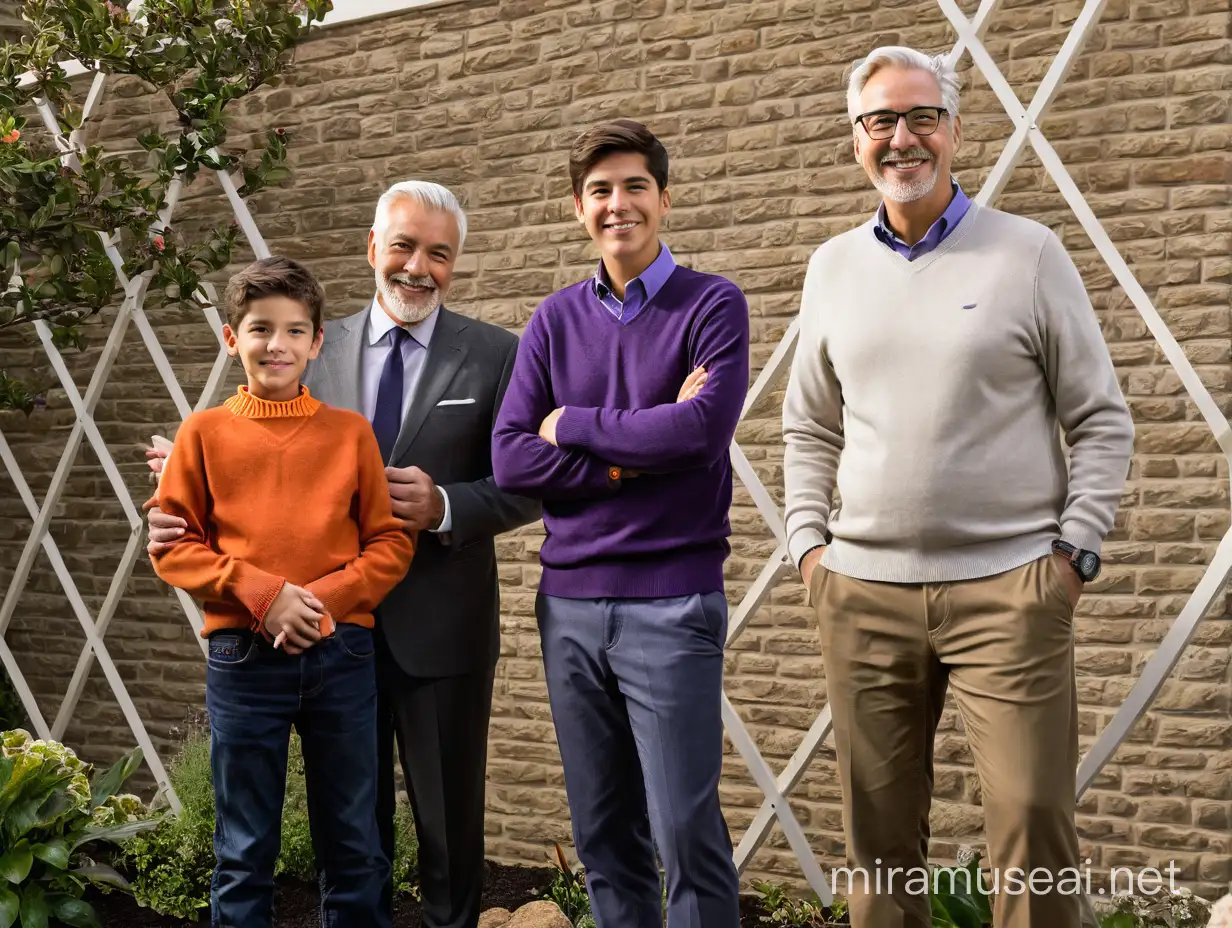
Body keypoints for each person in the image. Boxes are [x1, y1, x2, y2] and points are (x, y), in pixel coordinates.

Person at [781, 45, 1135, 928]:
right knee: (879, 841)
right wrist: (809, 549)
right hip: (859, 593)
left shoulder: (1028, 254)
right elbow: (808, 423)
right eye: (880, 121)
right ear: (856, 139)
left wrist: (1071, 556)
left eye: (920, 117)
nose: (901, 139)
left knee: (1033, 825)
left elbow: (1100, 416)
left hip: (1009, 591)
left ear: (955, 130)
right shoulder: (831, 269)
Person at [146, 181, 541, 928]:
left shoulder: (497, 355)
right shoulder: (317, 342)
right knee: (349, 833)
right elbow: (252, 443)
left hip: (434, 625)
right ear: (373, 250)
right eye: (402, 246)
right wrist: (183, 473)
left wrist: (449, 505)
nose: (417, 266)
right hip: (287, 639)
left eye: (439, 253)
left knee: (446, 825)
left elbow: (530, 484)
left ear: (455, 263)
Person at [491, 119, 749, 928]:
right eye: (599, 191)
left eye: (635, 186)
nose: (618, 204)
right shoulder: (553, 320)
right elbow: (509, 460)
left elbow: (700, 432)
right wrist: (624, 457)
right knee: (603, 832)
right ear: (578, 208)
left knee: (683, 828)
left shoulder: (712, 303)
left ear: (664, 199)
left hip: (672, 603)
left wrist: (568, 422)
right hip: (568, 605)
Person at [148, 256, 415, 927]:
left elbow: (389, 544)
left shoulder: (350, 435)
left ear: (316, 342)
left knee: (355, 842)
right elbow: (173, 546)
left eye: (296, 331)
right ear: (231, 338)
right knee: (243, 847)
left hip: (342, 657)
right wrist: (264, 593)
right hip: (244, 661)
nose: (278, 344)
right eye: (260, 329)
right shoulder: (201, 435)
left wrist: (317, 602)